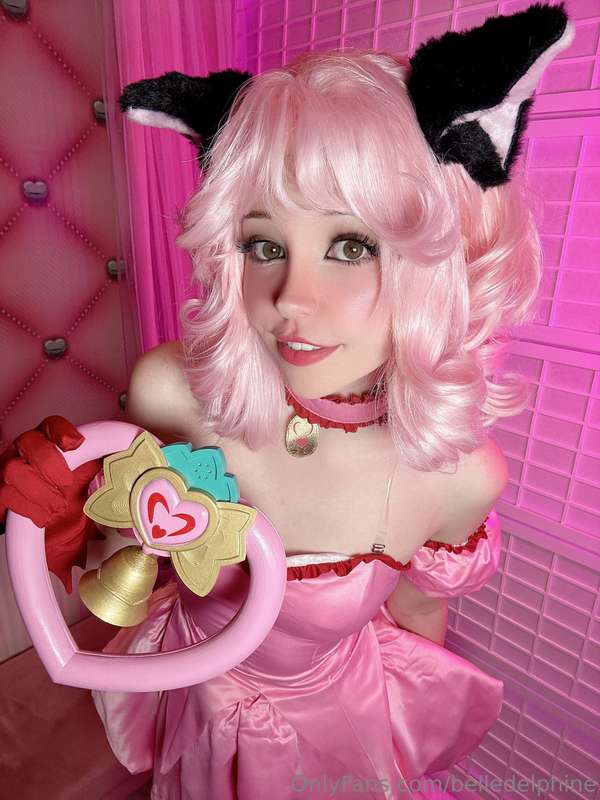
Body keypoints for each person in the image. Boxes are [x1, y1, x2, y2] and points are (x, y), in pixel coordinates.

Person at [0, 5, 574, 799]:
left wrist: (406, 742)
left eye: (352, 245)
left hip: (331, 726)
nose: (290, 300)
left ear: (444, 257)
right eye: (265, 244)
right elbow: (130, 560)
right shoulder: (174, 392)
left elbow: (417, 621)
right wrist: (75, 519)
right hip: (195, 699)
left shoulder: (459, 474)